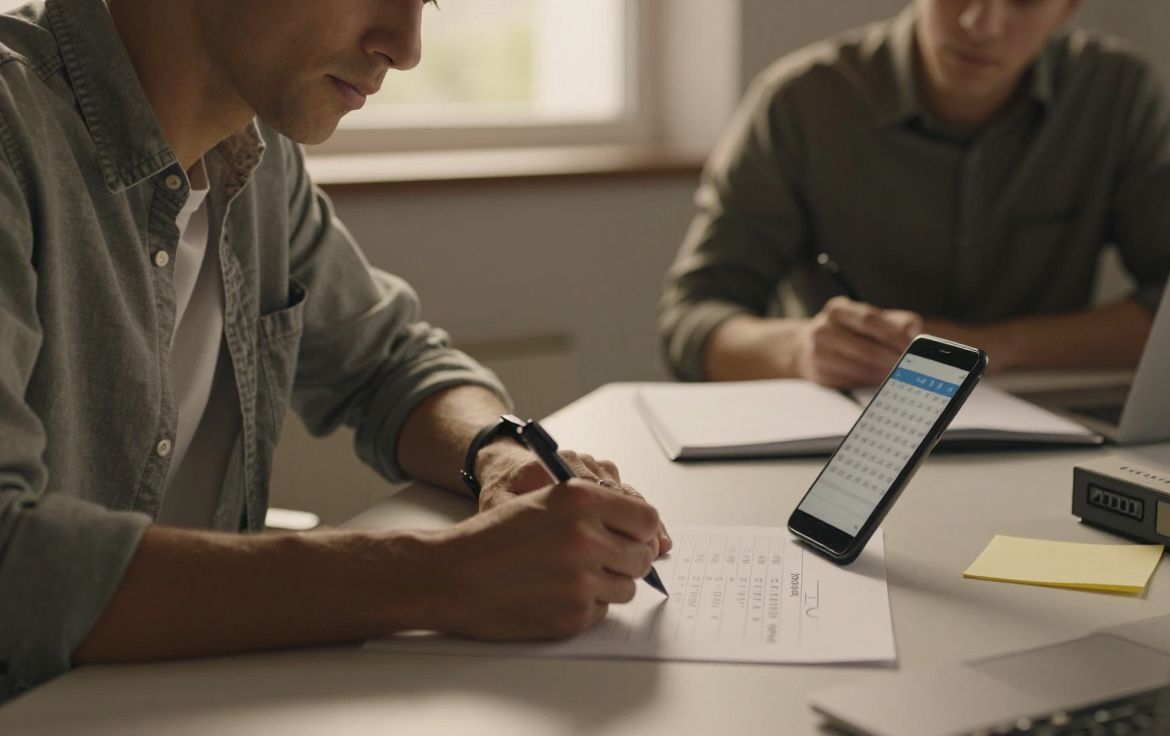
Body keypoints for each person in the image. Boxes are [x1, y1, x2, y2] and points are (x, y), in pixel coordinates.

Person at [0, 0, 672, 700]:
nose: (406, 47)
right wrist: (442, 574)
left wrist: (498, 454)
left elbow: (387, 362)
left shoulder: (255, 152)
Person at [658, 0, 1170, 389]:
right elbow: (692, 318)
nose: (981, 22)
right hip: (843, 431)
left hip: (1053, 435)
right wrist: (802, 349)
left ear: (1067, 9)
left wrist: (989, 348)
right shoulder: (802, 102)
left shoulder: (1115, 94)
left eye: (1023, 0)